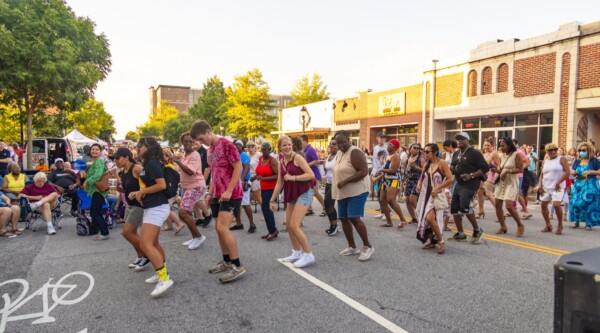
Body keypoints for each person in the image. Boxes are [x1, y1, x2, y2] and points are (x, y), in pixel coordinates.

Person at [190, 120, 247, 283]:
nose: (201, 143)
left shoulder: (227, 145)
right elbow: (215, 174)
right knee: (218, 228)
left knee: (223, 228)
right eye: (199, 141)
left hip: (232, 194)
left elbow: (238, 168)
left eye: (201, 139)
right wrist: (210, 193)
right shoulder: (210, 151)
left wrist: (229, 190)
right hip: (218, 194)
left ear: (208, 131)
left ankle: (237, 265)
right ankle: (227, 261)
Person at [130, 138, 173, 297]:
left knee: (145, 244)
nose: (138, 148)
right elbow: (150, 186)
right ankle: (160, 271)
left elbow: (161, 185)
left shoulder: (152, 164)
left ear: (149, 147)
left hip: (157, 207)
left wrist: (142, 192)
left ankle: (164, 278)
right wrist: (140, 192)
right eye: (138, 145)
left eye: (140, 146)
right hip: (153, 206)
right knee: (153, 243)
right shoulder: (149, 163)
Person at [269, 135, 317, 268]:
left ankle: (308, 254)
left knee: (295, 225)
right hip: (292, 194)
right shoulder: (280, 162)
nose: (287, 147)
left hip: (304, 193)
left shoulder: (298, 158)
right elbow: (279, 183)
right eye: (284, 145)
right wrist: (271, 200)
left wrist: (294, 177)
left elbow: (310, 174)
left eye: (289, 144)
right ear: (279, 148)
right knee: (289, 225)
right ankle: (297, 252)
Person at [331, 131, 374, 261]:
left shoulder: (354, 152)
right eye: (338, 143)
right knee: (343, 218)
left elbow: (364, 171)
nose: (341, 145)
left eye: (343, 142)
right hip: (343, 192)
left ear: (349, 140)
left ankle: (367, 246)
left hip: (357, 190)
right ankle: (352, 246)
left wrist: (345, 181)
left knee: (354, 217)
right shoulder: (339, 153)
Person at [113, 147, 150, 271]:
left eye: (118, 158)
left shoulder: (136, 168)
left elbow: (150, 183)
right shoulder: (123, 171)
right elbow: (128, 188)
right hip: (129, 205)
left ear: (127, 157)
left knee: (127, 232)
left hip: (138, 205)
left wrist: (140, 193)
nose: (115, 161)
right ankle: (140, 255)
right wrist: (121, 190)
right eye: (114, 159)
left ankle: (147, 255)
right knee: (131, 233)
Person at [448, 132, 490, 243]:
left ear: (467, 140)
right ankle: (461, 233)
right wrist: (451, 170)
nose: (459, 141)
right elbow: (453, 166)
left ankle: (477, 230)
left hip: (471, 183)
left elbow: (485, 167)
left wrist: (471, 175)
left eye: (462, 139)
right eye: (458, 139)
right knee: (454, 208)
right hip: (458, 183)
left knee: (464, 207)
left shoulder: (474, 153)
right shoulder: (456, 153)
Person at [415, 143, 453, 254]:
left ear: (435, 152)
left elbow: (450, 179)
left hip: (436, 195)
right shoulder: (427, 165)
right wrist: (418, 185)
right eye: (424, 152)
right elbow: (421, 178)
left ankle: (441, 242)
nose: (425, 154)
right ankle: (432, 241)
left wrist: (438, 188)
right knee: (425, 219)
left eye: (427, 152)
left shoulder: (442, 164)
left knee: (430, 218)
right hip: (425, 195)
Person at [173, 131, 208, 250]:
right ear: (181, 142)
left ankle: (199, 237)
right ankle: (194, 237)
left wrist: (177, 161)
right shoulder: (185, 155)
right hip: (187, 186)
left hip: (196, 186)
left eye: (190, 141)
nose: (188, 143)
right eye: (185, 141)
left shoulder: (195, 155)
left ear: (193, 142)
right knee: (186, 213)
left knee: (182, 212)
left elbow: (190, 171)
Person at [493, 138, 526, 237]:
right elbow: (500, 169)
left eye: (503, 146)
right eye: (500, 146)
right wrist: (496, 170)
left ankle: (520, 225)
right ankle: (503, 226)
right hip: (501, 182)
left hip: (511, 182)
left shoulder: (516, 155)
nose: (501, 148)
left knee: (509, 205)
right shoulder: (502, 156)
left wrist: (508, 171)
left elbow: (521, 169)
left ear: (509, 146)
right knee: (498, 205)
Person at [537, 143, 570, 235]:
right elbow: (542, 174)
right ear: (547, 152)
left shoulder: (561, 159)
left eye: (555, 149)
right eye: (550, 150)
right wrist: (540, 185)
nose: (553, 151)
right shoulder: (546, 161)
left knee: (556, 205)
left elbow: (567, 172)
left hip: (557, 186)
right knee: (543, 205)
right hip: (546, 186)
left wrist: (559, 182)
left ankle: (560, 225)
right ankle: (548, 225)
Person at [82, 143, 112, 240]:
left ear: (100, 152)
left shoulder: (99, 161)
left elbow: (98, 175)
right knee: (97, 212)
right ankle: (103, 231)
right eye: (92, 149)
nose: (94, 151)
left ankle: (104, 233)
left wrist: (87, 181)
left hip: (98, 191)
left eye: (97, 149)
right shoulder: (93, 162)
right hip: (95, 191)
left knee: (95, 213)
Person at [569, 142, 600, 231]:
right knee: (576, 203)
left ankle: (588, 223)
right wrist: (574, 173)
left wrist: (591, 172)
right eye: (580, 150)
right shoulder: (577, 160)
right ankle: (576, 221)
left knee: (588, 204)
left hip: (590, 185)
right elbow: (573, 171)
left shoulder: (594, 161)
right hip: (578, 184)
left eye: (583, 150)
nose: (581, 152)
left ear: (589, 151)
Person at [378, 139, 408, 229]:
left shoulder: (395, 156)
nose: (388, 146)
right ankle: (389, 222)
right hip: (386, 180)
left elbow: (393, 170)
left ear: (395, 147)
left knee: (391, 200)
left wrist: (381, 170)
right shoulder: (387, 156)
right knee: (382, 200)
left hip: (394, 180)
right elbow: (385, 169)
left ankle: (403, 220)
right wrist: (379, 175)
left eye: (390, 144)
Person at [254, 141, 279, 240]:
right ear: (261, 149)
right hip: (263, 187)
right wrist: (254, 177)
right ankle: (271, 231)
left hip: (271, 188)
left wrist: (263, 179)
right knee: (265, 209)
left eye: (268, 149)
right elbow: (260, 172)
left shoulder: (272, 161)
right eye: (264, 149)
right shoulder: (260, 159)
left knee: (266, 208)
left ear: (270, 150)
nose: (266, 151)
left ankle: (273, 231)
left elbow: (277, 175)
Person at [230, 140, 256, 233]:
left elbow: (246, 168)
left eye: (238, 145)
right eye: (235, 145)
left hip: (243, 182)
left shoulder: (244, 156)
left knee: (245, 204)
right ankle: (238, 223)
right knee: (235, 204)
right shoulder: (232, 155)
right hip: (234, 182)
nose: (236, 146)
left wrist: (241, 179)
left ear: (242, 146)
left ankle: (252, 224)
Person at [300, 135, 326, 216]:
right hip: (307, 175)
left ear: (305, 141)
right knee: (307, 192)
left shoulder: (310, 149)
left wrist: (306, 165)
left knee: (315, 192)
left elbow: (316, 161)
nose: (299, 142)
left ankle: (325, 208)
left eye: (300, 140)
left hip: (314, 175)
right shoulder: (303, 150)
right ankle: (309, 209)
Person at [476, 138, 500, 219]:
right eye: (485, 145)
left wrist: (496, 175)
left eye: (488, 145)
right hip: (483, 176)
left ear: (492, 146)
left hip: (491, 176)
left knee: (489, 194)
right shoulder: (484, 154)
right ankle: (481, 211)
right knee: (479, 193)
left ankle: (500, 212)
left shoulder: (494, 153)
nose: (486, 147)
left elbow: (499, 165)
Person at [404, 143, 426, 223]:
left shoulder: (420, 159)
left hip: (417, 180)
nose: (416, 149)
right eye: (414, 148)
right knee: (407, 200)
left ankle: (421, 217)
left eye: (418, 148)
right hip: (409, 180)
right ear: (410, 149)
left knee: (412, 199)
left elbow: (425, 170)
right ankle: (414, 218)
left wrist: (416, 167)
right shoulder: (408, 158)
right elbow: (406, 170)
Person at [323, 140, 340, 236]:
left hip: (335, 182)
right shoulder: (329, 156)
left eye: (336, 144)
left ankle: (334, 225)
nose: (334, 146)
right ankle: (333, 225)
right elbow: (328, 170)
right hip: (328, 183)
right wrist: (324, 176)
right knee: (328, 205)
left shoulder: (339, 156)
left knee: (328, 203)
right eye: (333, 144)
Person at [513, 139, 532, 219]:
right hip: (510, 175)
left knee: (516, 193)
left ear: (516, 144)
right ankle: (512, 210)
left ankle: (525, 211)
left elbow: (527, 163)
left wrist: (520, 169)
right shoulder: (508, 153)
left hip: (518, 175)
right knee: (512, 194)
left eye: (512, 144)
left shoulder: (520, 152)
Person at [371, 132, 388, 218]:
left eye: (384, 138)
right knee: (377, 192)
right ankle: (382, 211)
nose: (382, 139)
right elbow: (375, 161)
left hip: (385, 172)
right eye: (381, 137)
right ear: (377, 138)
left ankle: (387, 212)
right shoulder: (375, 148)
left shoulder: (387, 147)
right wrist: (374, 172)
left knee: (384, 194)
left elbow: (388, 161)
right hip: (377, 172)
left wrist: (381, 170)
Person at [246, 141, 262, 207]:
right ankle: (236, 216)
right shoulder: (246, 155)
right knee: (244, 198)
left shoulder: (259, 155)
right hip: (246, 177)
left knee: (258, 198)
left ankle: (266, 213)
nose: (250, 147)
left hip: (255, 177)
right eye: (248, 146)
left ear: (255, 147)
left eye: (252, 145)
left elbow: (263, 165)